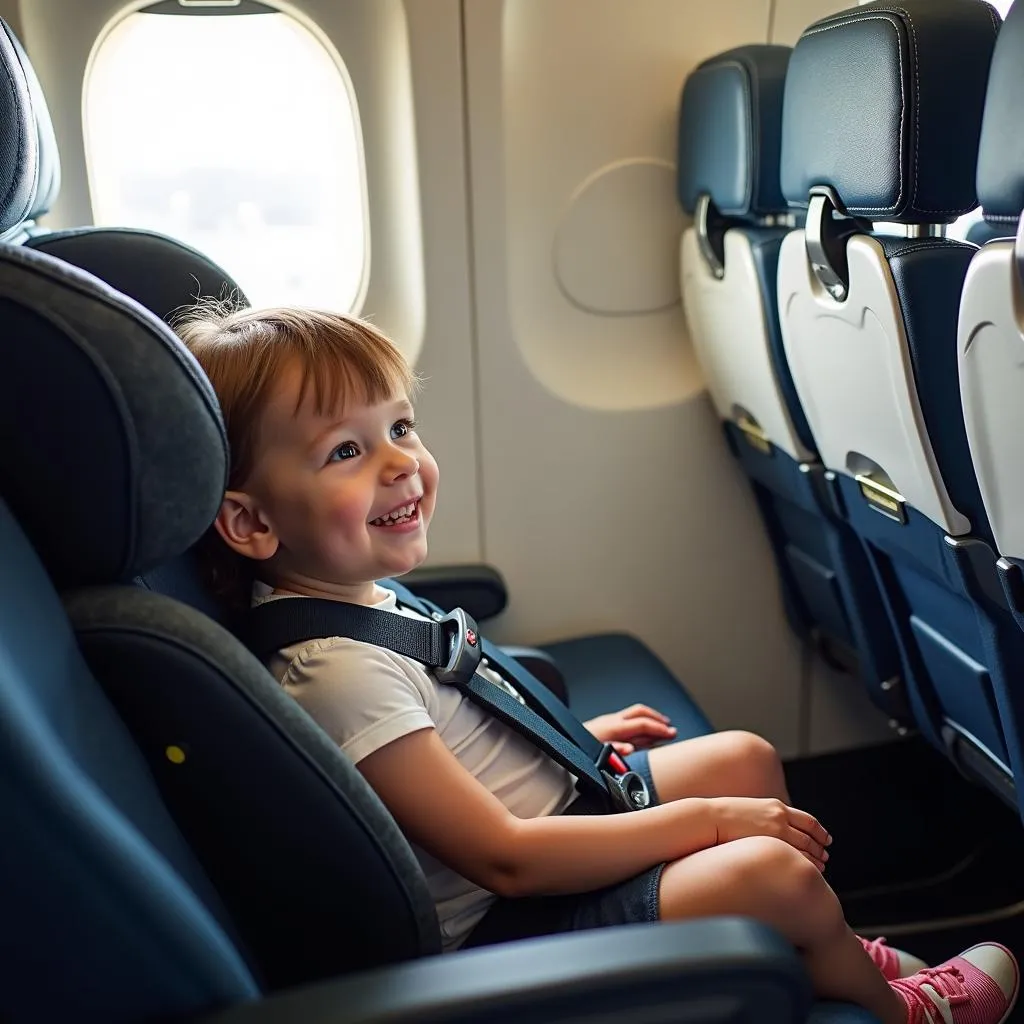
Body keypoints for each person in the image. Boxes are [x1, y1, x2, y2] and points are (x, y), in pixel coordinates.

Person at [177, 304, 1018, 1024]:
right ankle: (895, 1006)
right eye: (345, 453)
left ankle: (825, 948)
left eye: (399, 427)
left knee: (745, 759)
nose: (401, 461)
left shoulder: (361, 598)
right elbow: (505, 856)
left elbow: (453, 724)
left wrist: (567, 742)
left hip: (544, 852)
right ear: (251, 523)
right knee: (768, 866)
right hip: (512, 922)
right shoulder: (335, 671)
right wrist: (713, 825)